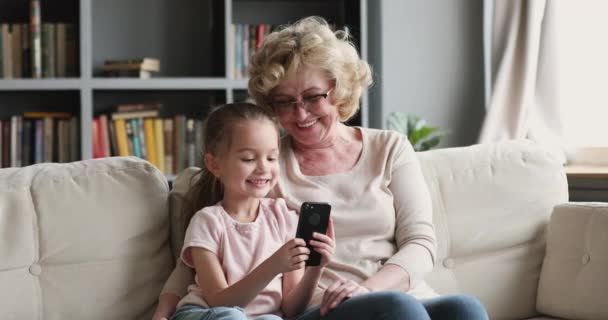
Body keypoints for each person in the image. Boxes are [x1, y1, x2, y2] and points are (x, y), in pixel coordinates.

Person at [154, 16, 489, 320]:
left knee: (465, 309)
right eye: (285, 102)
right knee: (397, 308)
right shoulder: (263, 164)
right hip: (321, 307)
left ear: (339, 91)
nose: (300, 114)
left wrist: (369, 290)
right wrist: (164, 309)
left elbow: (420, 243)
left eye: (314, 97)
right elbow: (205, 247)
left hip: (398, 296)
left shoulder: (389, 148)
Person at [165, 102, 335, 320]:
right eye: (248, 159)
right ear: (214, 164)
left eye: (272, 158)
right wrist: (273, 266)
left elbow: (292, 309)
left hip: (262, 317)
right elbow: (220, 301)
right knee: (233, 317)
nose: (263, 167)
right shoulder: (207, 222)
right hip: (205, 313)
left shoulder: (284, 218)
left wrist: (316, 269)